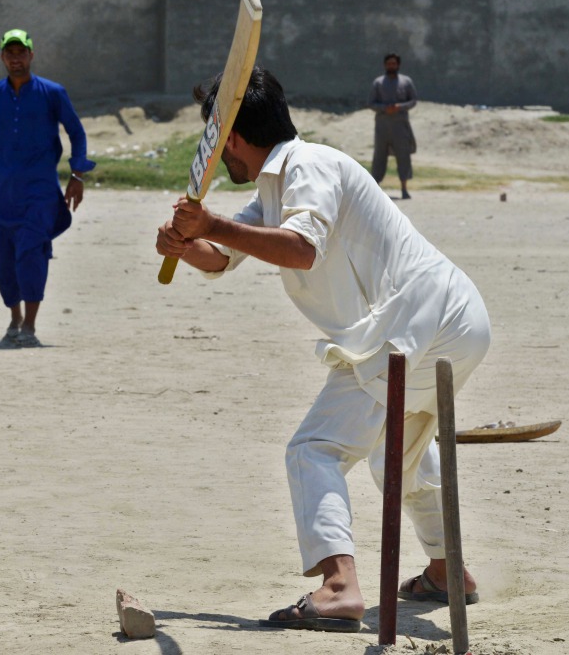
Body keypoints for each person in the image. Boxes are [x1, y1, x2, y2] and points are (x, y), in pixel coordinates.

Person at [156, 67, 490, 633]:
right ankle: (446, 570)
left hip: (412, 324)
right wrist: (188, 245)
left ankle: (339, 588)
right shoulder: (274, 185)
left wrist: (210, 220)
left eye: (215, 141)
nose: (216, 157)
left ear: (231, 136)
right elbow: (224, 255)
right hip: (455, 321)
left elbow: (300, 249)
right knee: (396, 458)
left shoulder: (308, 166)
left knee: (314, 449)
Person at [0, 28, 95, 347]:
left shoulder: (52, 92)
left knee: (31, 253)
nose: (16, 58)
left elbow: (77, 133)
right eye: (9, 53)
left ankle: (29, 325)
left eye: (21, 52)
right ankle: (14, 318)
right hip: (1, 193)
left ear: (31, 54)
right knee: (3, 259)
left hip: (39, 193)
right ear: (2, 56)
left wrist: (78, 175)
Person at [368, 53, 418, 199]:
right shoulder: (378, 82)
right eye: (389, 64)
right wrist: (384, 108)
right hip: (382, 126)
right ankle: (374, 190)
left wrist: (399, 107)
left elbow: (413, 100)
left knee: (403, 157)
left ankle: (404, 189)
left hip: (400, 126)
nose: (391, 66)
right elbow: (371, 103)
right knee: (379, 156)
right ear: (385, 65)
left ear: (398, 65)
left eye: (394, 64)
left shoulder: (406, 82)